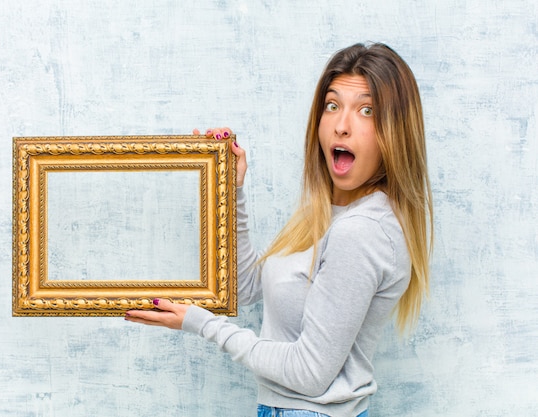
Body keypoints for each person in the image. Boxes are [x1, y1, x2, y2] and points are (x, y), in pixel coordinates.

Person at [125, 42, 433, 417]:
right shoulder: (326, 213)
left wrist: (202, 324)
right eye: (332, 105)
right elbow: (247, 286)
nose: (341, 125)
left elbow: (309, 374)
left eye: (367, 111)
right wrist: (230, 189)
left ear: (396, 132)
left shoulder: (362, 231)